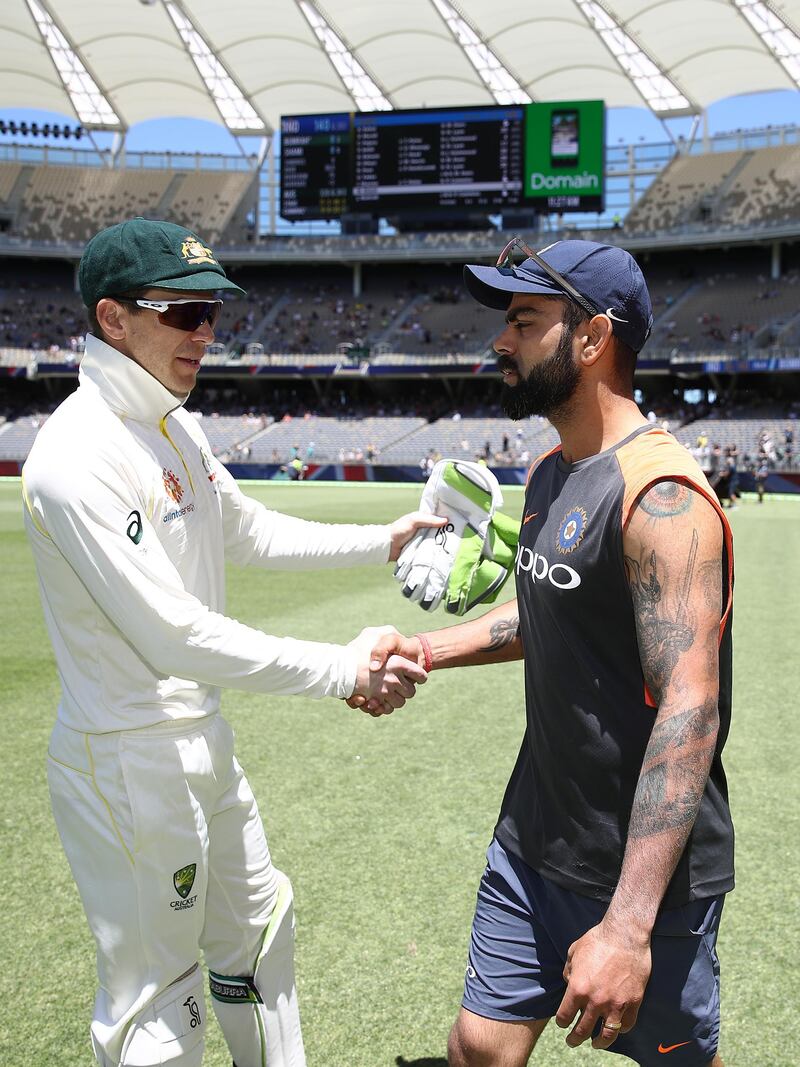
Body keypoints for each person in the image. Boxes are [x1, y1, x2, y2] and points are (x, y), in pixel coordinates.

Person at [21, 218, 443, 1067]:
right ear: (113, 318)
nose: (206, 332)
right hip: (126, 761)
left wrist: (384, 538)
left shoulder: (177, 425)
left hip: (199, 739)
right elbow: (174, 635)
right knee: (158, 1003)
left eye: (212, 311)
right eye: (184, 312)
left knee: (259, 934)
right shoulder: (72, 455)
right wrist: (341, 667)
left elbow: (246, 530)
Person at [357, 238, 734, 1067]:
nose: (502, 340)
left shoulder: (662, 498)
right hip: (534, 839)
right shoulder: (552, 473)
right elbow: (545, 613)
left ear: (593, 338)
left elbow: (690, 704)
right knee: (480, 1047)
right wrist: (425, 646)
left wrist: (629, 926)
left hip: (650, 880)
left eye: (524, 320)